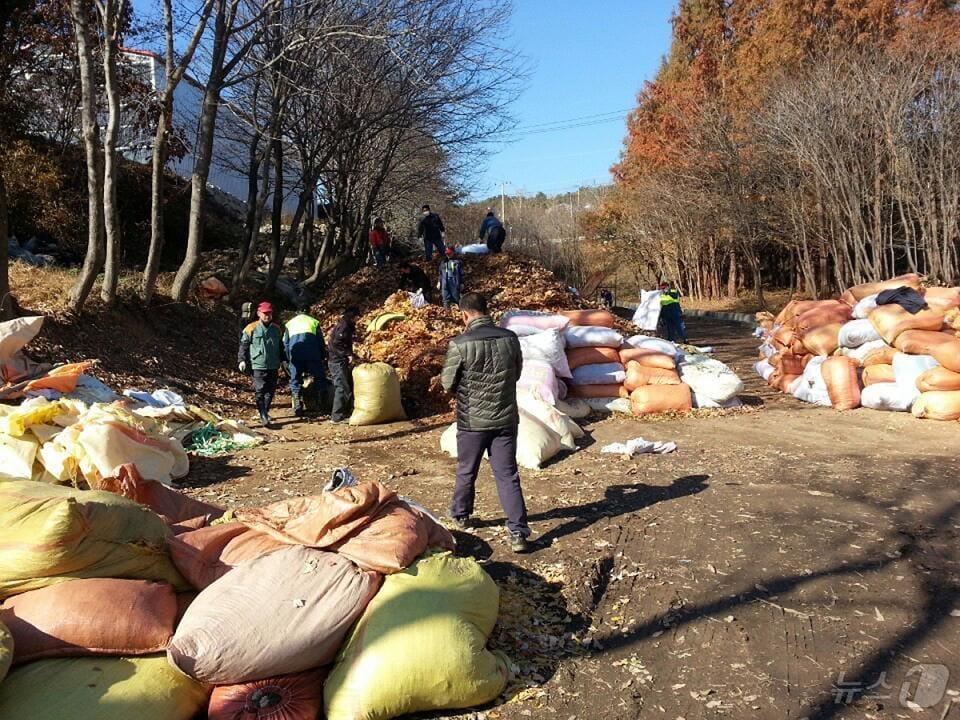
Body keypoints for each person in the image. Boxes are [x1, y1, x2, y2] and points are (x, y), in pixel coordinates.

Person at [440, 292, 531, 553]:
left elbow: (447, 384)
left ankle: (460, 515)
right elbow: (517, 373)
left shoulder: (460, 343)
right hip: (505, 419)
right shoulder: (510, 338)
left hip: (472, 422)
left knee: (467, 470)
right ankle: (518, 532)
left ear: (464, 314)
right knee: (507, 474)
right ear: (486, 310)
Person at [238, 301, 286, 427]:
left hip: (273, 364)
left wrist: (285, 361)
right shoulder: (251, 328)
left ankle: (264, 411)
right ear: (259, 313)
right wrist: (242, 360)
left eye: (269, 313)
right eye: (265, 313)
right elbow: (244, 346)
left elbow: (281, 348)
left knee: (270, 390)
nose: (267, 316)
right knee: (260, 390)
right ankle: (263, 415)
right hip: (257, 364)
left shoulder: (276, 329)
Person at [283, 309, 330, 418]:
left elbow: (286, 343)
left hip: (296, 356)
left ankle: (298, 407)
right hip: (312, 354)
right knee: (319, 377)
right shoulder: (313, 322)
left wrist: (288, 358)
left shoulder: (289, 324)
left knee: (295, 380)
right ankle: (321, 406)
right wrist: (322, 356)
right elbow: (320, 341)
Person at [327, 307, 359, 423]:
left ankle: (343, 412)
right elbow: (336, 343)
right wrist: (347, 354)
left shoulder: (347, 325)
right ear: (352, 316)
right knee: (341, 387)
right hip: (336, 361)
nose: (358, 319)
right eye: (356, 317)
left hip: (339, 360)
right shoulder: (344, 326)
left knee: (346, 386)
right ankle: (336, 417)